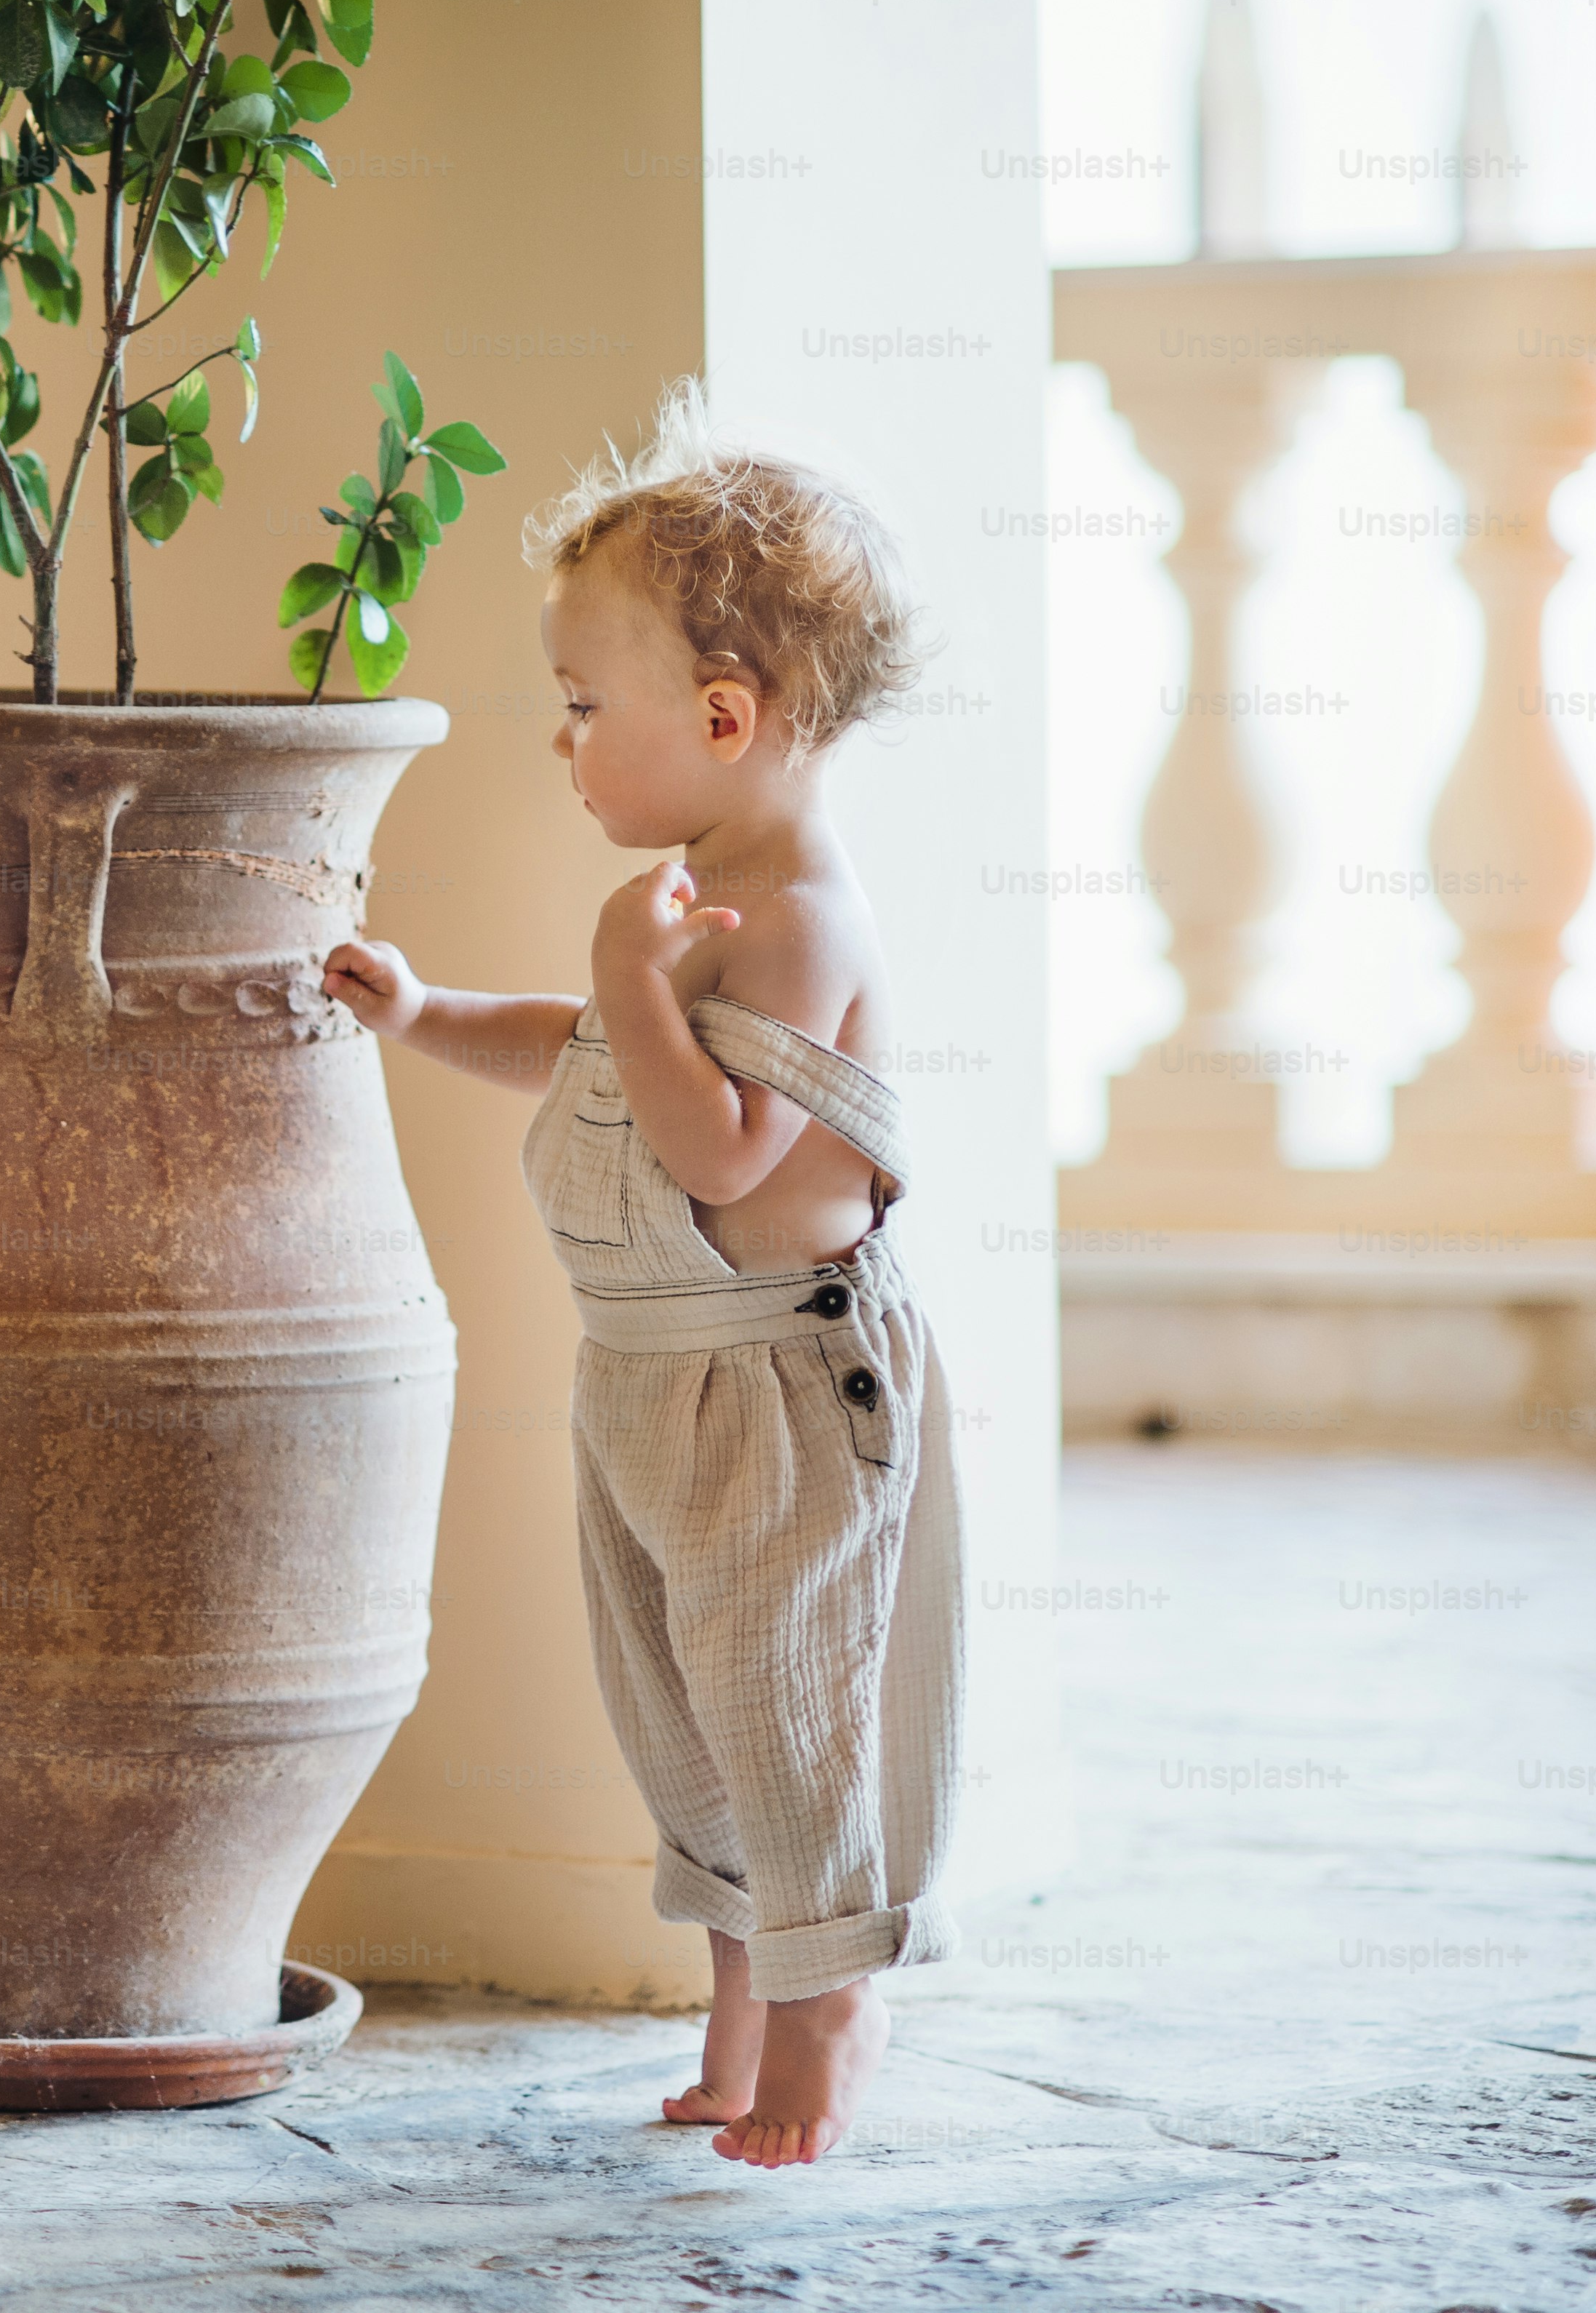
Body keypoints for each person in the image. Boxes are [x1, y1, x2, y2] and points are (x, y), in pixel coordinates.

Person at [322, 383, 962, 2168]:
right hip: (651, 1374)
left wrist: (619, 967)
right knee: (686, 1713)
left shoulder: (799, 917)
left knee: (787, 1699)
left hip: (775, 1383)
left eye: (582, 706)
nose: (565, 739)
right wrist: (432, 1012)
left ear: (725, 713)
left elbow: (721, 1149)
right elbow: (605, 1060)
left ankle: (834, 2008)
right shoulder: (696, 897)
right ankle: (738, 2004)